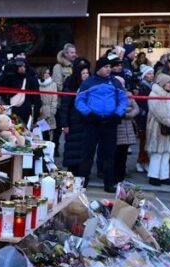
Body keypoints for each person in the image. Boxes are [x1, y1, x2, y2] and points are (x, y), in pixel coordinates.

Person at [75, 56, 128, 192]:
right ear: (99, 68)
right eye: (106, 67)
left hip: (110, 122)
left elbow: (123, 100)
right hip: (92, 123)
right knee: (87, 154)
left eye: (110, 67)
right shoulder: (88, 83)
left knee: (109, 155)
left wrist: (118, 114)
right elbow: (79, 101)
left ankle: (109, 183)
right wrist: (89, 114)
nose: (109, 69)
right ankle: (82, 183)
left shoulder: (115, 82)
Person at [146, 72, 170, 186]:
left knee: (166, 153)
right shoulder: (154, 95)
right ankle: (154, 176)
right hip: (157, 127)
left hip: (169, 127)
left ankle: (164, 176)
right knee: (157, 153)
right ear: (162, 84)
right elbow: (160, 113)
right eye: (168, 82)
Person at [60, 59, 90, 172]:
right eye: (83, 73)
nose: (86, 75)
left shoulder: (90, 85)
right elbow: (65, 106)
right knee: (72, 149)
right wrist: (65, 124)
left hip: (86, 122)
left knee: (84, 149)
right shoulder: (71, 83)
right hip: (73, 122)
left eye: (87, 73)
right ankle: (72, 172)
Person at [113, 75, 140, 183]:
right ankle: (114, 176)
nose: (123, 86)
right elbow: (116, 109)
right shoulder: (112, 94)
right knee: (115, 155)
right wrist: (127, 111)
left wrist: (129, 114)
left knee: (123, 155)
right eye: (121, 83)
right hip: (117, 129)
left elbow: (136, 108)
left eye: (124, 83)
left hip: (127, 128)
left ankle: (121, 176)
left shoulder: (128, 94)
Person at [37, 65, 58, 136]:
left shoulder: (53, 84)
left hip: (49, 111)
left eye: (49, 73)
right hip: (40, 111)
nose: (47, 75)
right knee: (39, 133)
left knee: (48, 134)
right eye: (46, 73)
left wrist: (53, 111)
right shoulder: (37, 84)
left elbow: (55, 99)